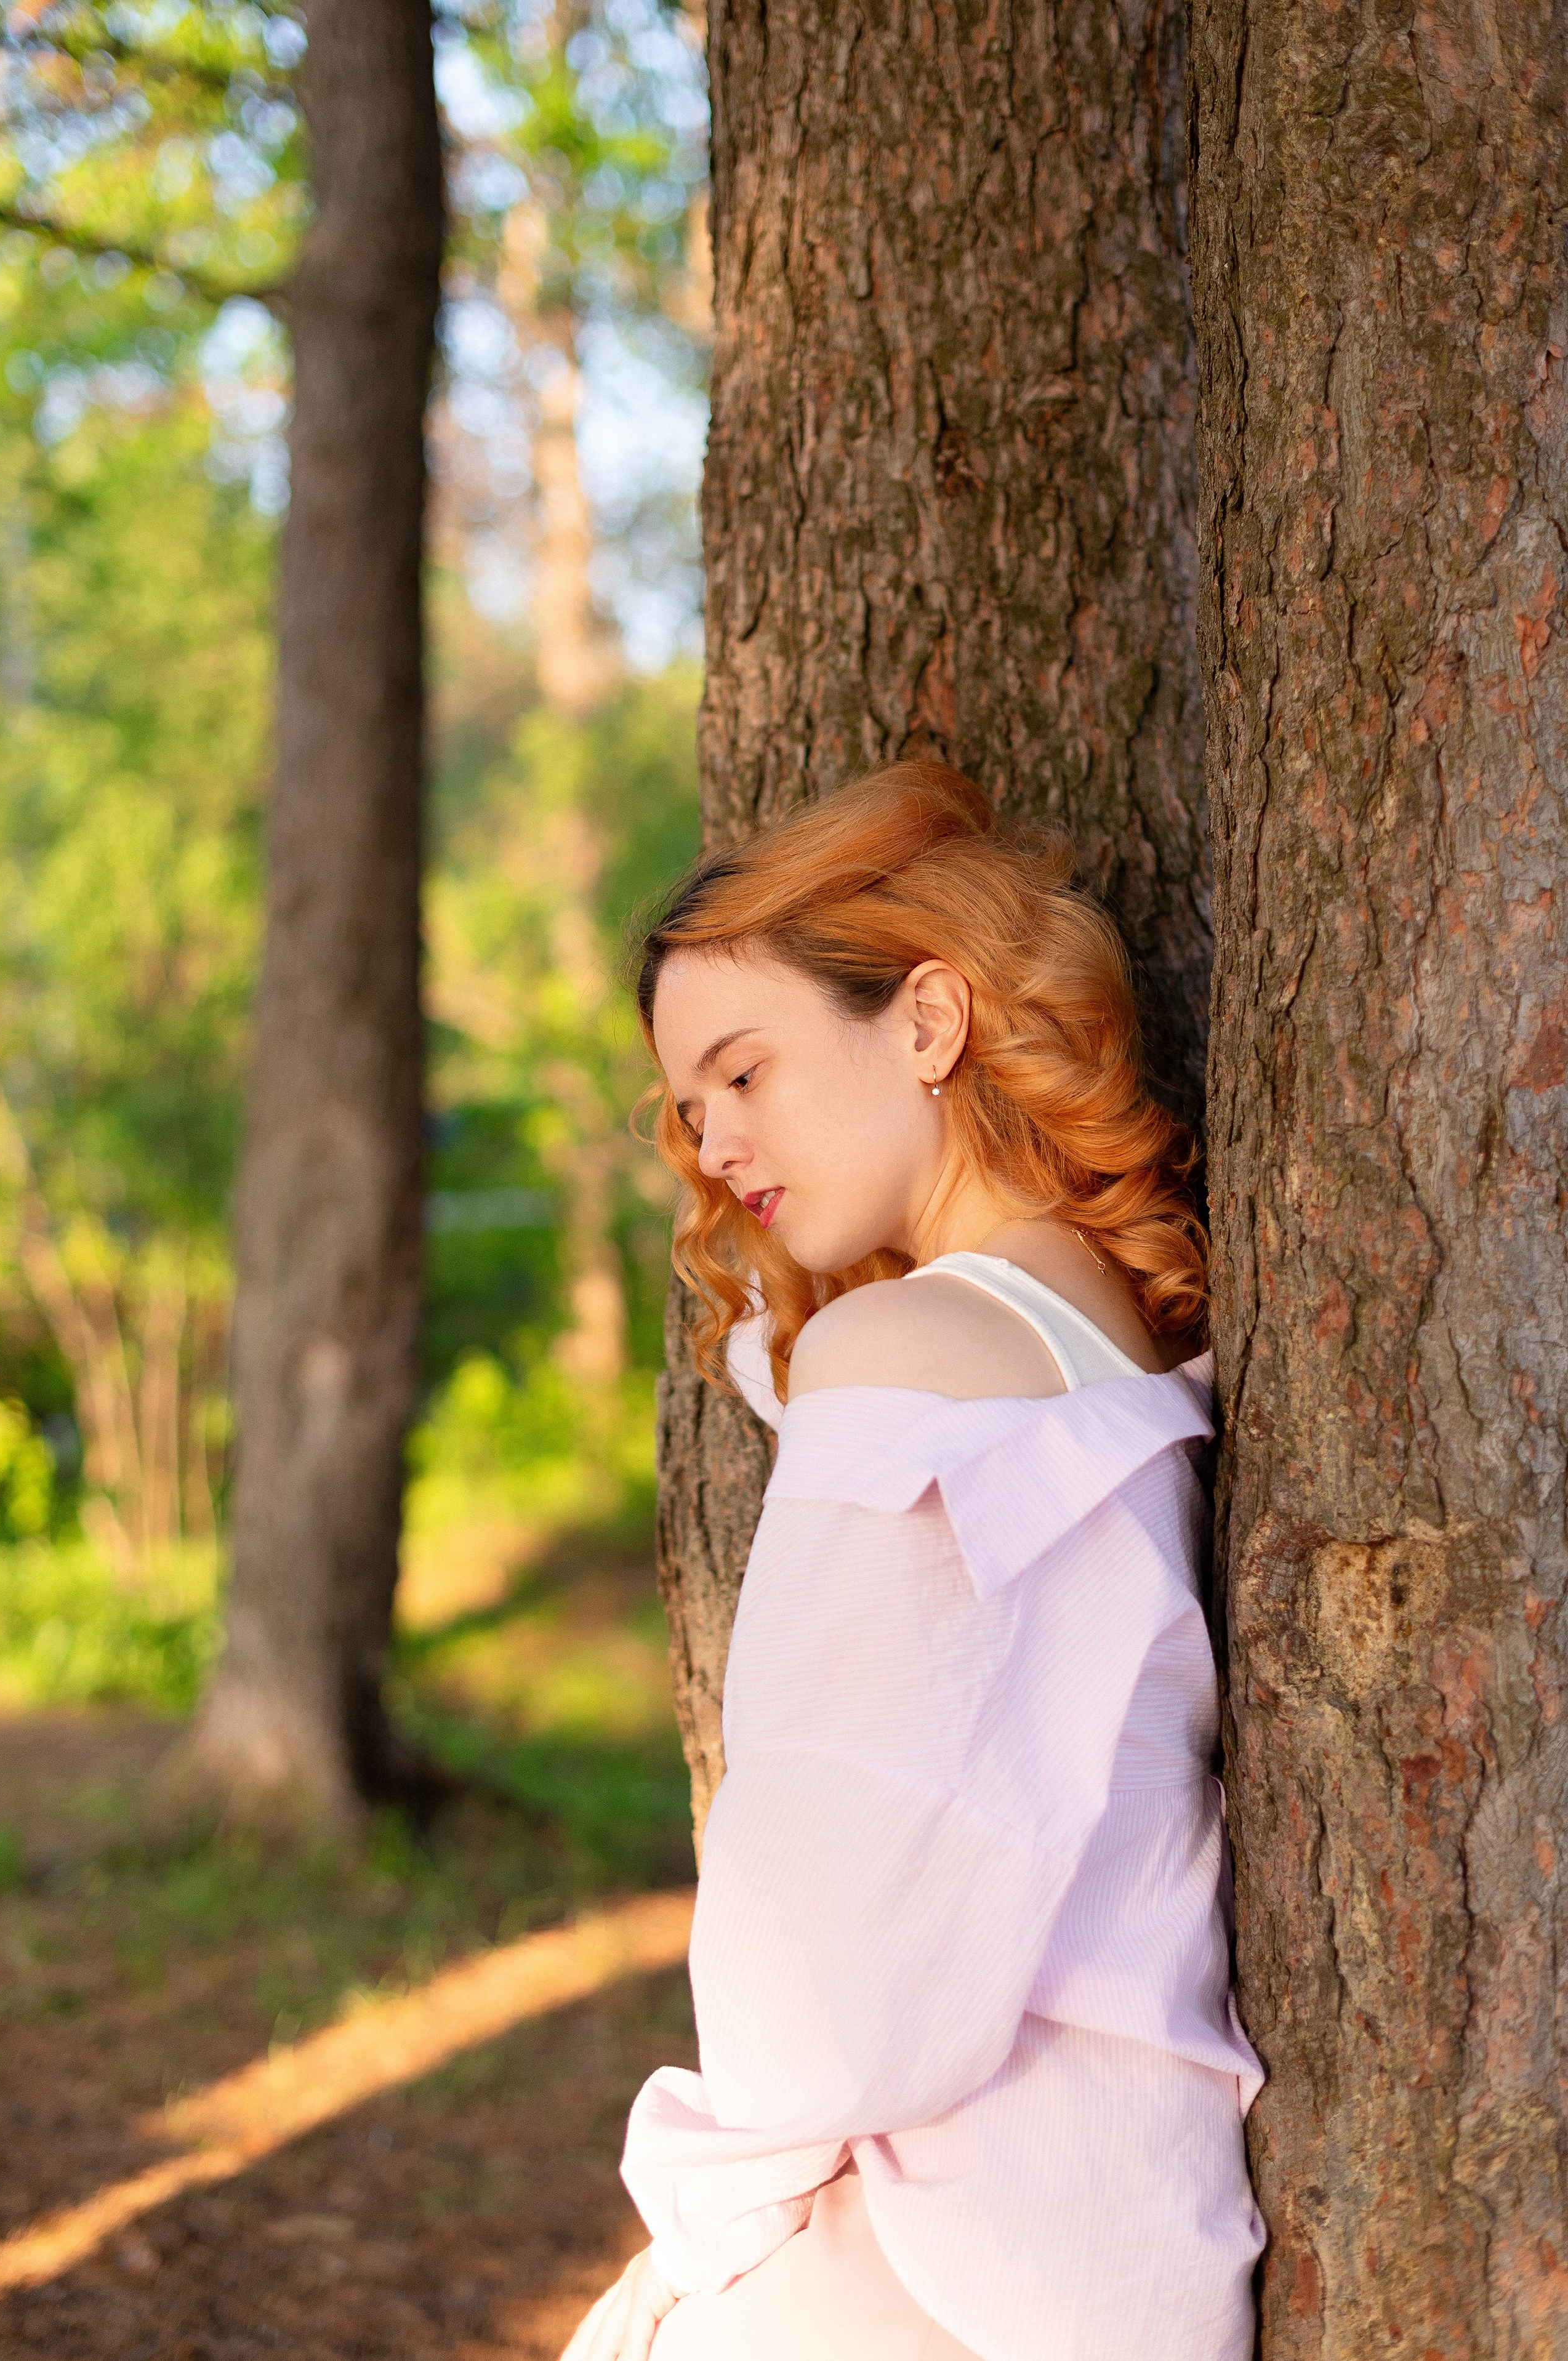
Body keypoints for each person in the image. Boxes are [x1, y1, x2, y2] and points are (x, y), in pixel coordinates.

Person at [562, 763, 1266, 2361]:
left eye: (746, 1070)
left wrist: (705, 2228)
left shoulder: (904, 1355)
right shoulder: (1111, 1344)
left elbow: (809, 1972)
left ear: (929, 1021)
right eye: (691, 1103)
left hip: (942, 2255)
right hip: (1129, 2233)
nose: (716, 1139)